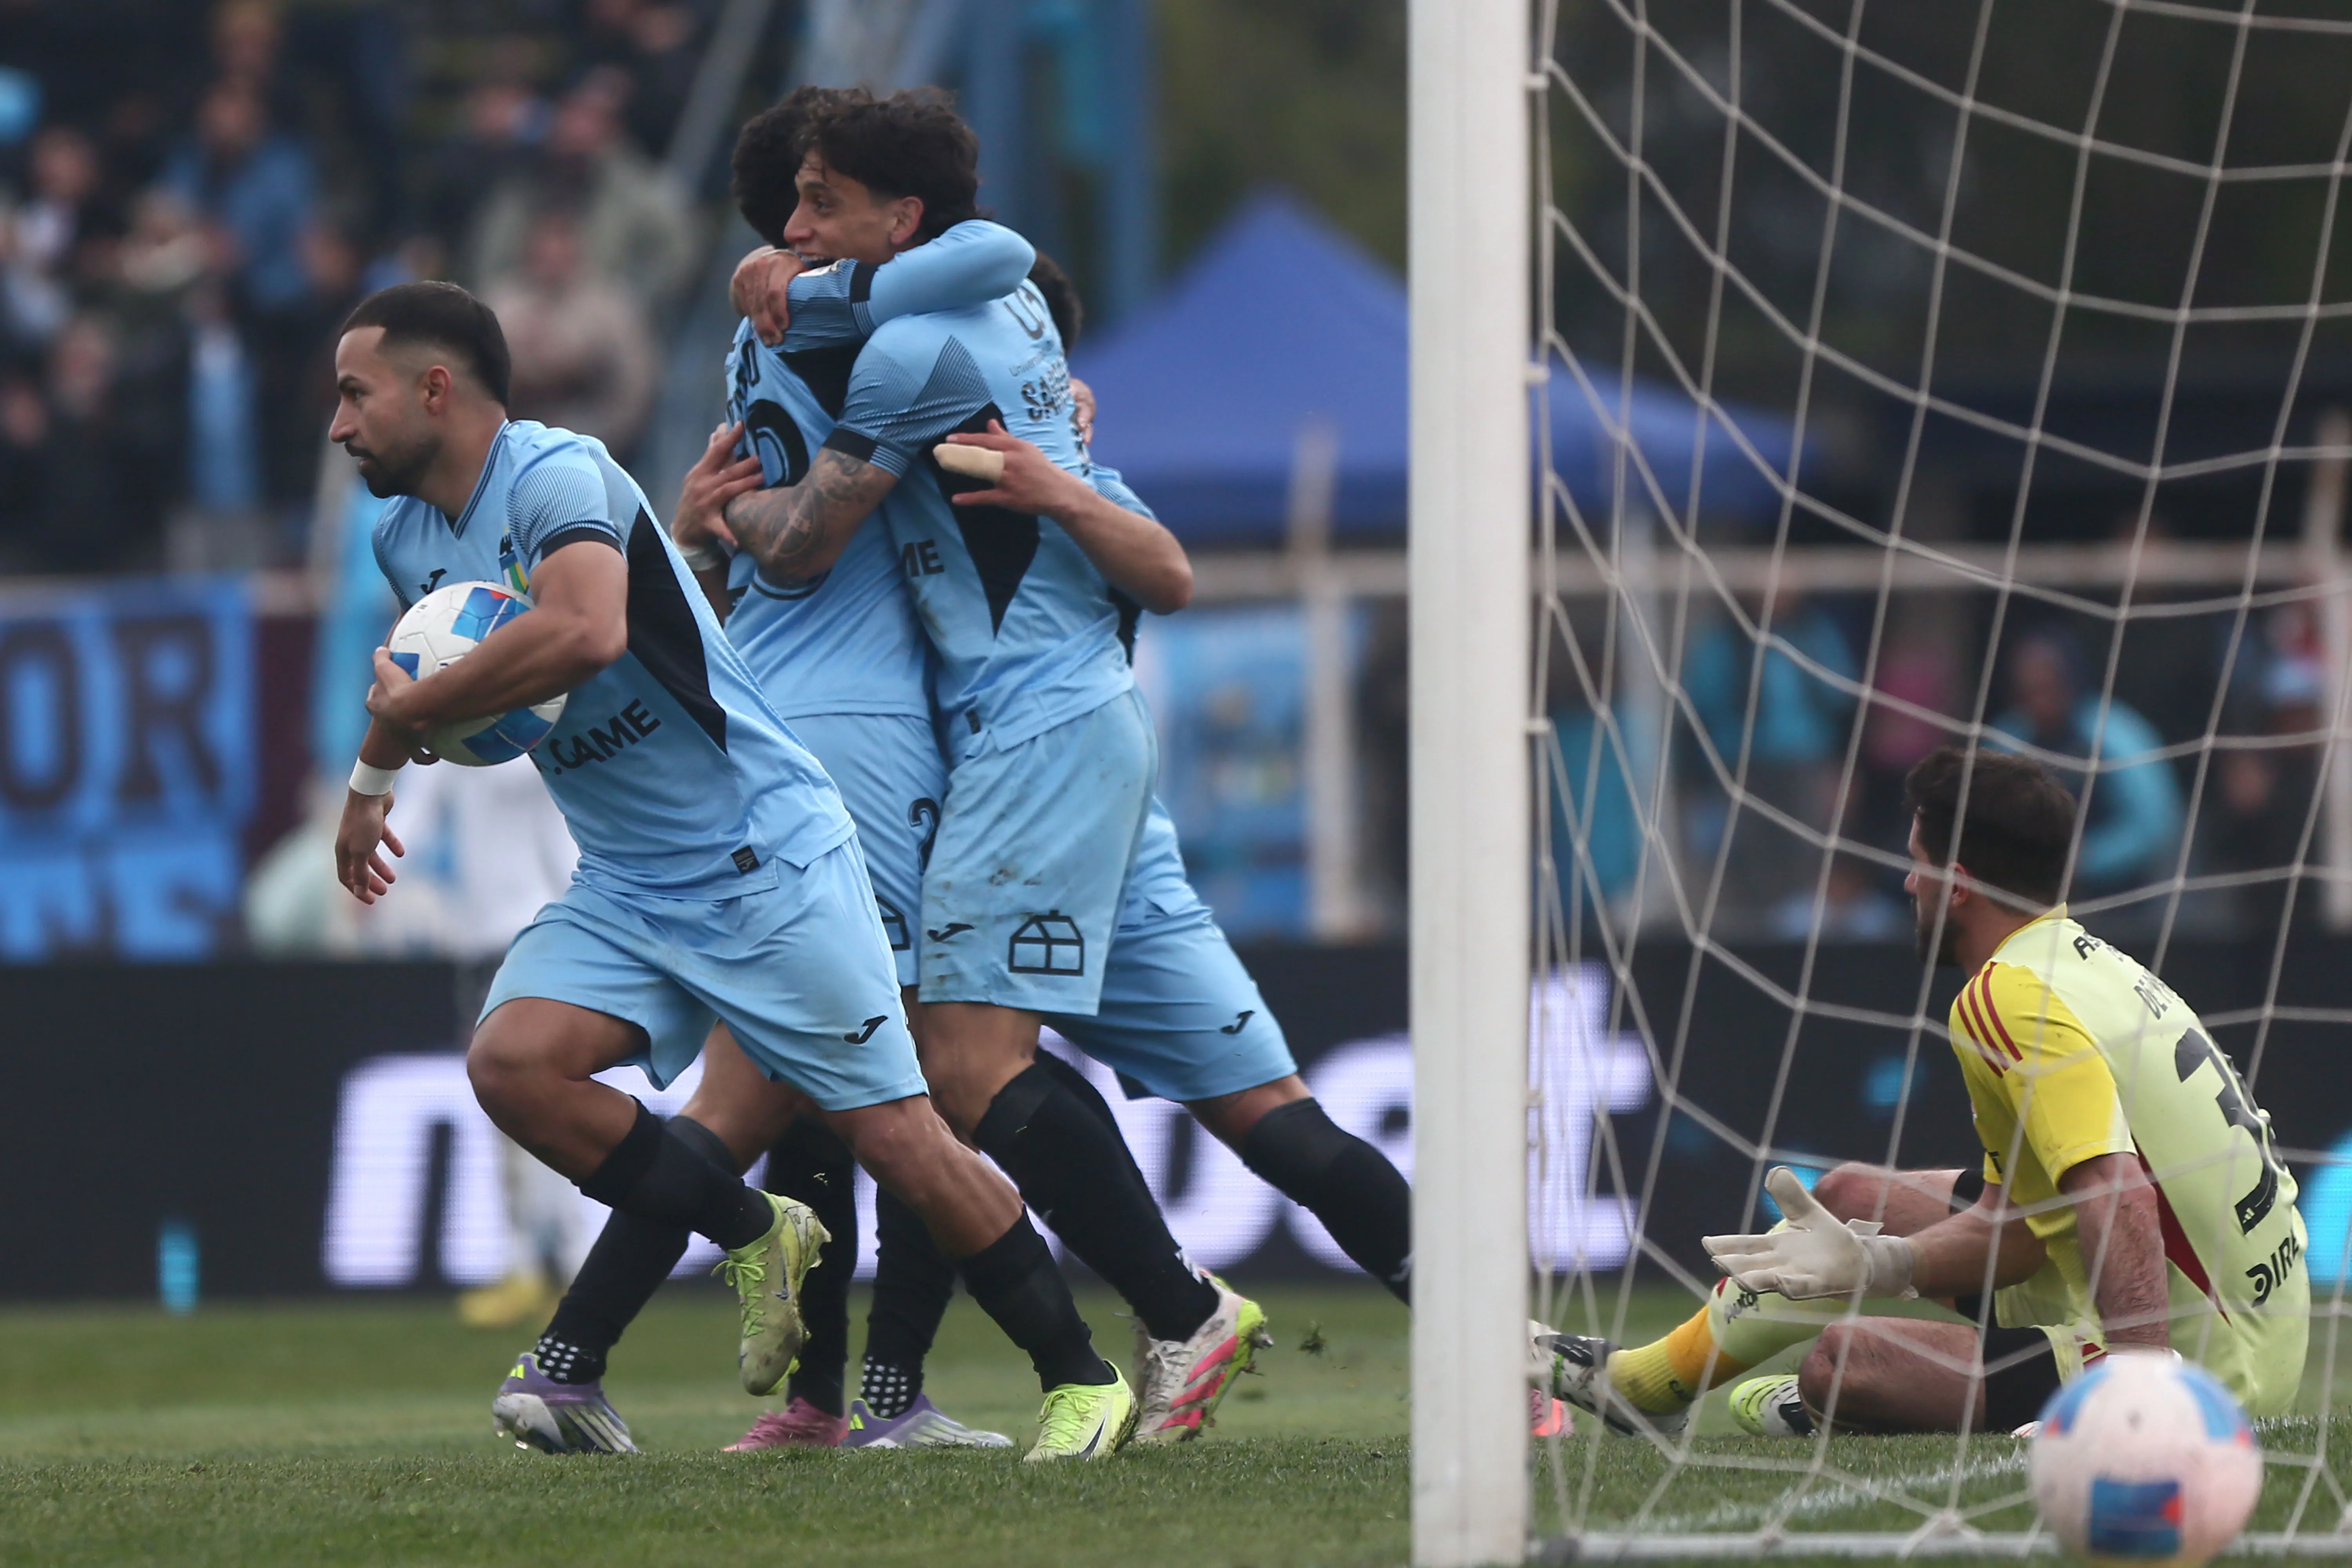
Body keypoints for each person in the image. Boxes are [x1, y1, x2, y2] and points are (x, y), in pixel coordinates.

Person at [327, 280, 1136, 1463]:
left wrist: (401, 723)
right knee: (513, 1065)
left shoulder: (557, 474)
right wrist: (373, 780)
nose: (339, 424)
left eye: (356, 395)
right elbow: (446, 688)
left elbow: (585, 633)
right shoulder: (403, 536)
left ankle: (1081, 1377)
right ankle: (761, 1231)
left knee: (900, 1138)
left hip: (764, 857)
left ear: (435, 389)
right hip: (627, 879)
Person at [1530, 746, 2308, 1438]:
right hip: (2258, 1317)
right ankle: (1651, 1384)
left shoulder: (2006, 998)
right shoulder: (2087, 961)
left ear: (1958, 884)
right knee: (1844, 1198)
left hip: (2203, 1367)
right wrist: (1882, 1262)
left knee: (1843, 1361)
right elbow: (2020, 1231)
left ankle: (1868, 1402)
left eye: (1917, 862)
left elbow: (2120, 1193)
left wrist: (2142, 1394)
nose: (1908, 882)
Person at [1993, 630, 2183, 904]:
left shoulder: (2117, 735)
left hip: (2118, 898)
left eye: (2047, 688)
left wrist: (2088, 859)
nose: (2039, 702)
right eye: (2028, 692)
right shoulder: (2007, 740)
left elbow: (2157, 825)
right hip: (2031, 895)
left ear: (2070, 682)